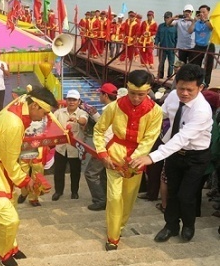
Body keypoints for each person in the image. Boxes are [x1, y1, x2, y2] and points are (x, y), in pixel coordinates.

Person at [0, 87, 58, 266]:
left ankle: (11, 246)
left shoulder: (19, 108)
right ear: (34, 107)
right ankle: (3, 252)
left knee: (10, 210)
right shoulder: (14, 123)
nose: (46, 117)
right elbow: (9, 161)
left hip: (0, 168)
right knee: (10, 218)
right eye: (45, 112)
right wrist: (27, 181)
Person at [130, 64, 212, 244]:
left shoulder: (202, 111)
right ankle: (171, 226)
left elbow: (182, 138)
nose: (184, 93)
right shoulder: (173, 96)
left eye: (190, 90)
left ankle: (189, 225)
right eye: (181, 88)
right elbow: (161, 114)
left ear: (200, 88)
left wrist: (152, 157)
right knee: (172, 191)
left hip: (195, 156)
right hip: (175, 154)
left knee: (186, 195)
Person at [93, 69, 163, 251]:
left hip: (136, 162)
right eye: (132, 93)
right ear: (127, 89)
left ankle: (119, 226)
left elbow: (150, 138)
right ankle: (113, 236)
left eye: (141, 94)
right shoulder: (114, 107)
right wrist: (103, 154)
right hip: (114, 158)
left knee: (128, 198)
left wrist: (134, 159)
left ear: (148, 92)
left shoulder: (156, 112)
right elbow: (99, 130)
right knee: (115, 197)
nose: (136, 98)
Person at [84, 83, 118, 211]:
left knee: (91, 173)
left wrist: (100, 149)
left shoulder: (109, 110)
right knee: (104, 173)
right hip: (113, 146)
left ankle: (100, 200)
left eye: (100, 94)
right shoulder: (117, 107)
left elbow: (106, 130)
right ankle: (107, 198)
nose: (99, 96)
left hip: (105, 146)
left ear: (105, 95)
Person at [52, 89, 89, 201]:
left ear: (79, 101)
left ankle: (74, 191)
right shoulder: (59, 112)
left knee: (75, 172)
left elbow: (83, 121)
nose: (71, 102)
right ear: (66, 100)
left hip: (75, 148)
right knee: (58, 171)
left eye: (74, 100)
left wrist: (76, 120)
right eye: (69, 99)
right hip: (61, 148)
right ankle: (58, 191)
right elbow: (52, 124)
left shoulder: (82, 113)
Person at [187, 4, 215, 87]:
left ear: (208, 12)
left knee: (208, 65)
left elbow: (211, 28)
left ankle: (206, 83)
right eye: (200, 12)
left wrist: (205, 20)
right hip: (198, 45)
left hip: (209, 45)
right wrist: (194, 21)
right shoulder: (197, 22)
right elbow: (190, 31)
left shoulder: (211, 21)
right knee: (196, 64)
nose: (202, 14)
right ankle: (197, 81)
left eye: (204, 12)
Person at [155, 11, 178, 80]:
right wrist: (156, 43)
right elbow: (157, 36)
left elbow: (177, 38)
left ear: (171, 18)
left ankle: (169, 76)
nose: (166, 19)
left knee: (171, 63)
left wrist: (176, 47)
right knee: (161, 62)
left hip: (171, 48)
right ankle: (160, 75)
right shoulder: (161, 26)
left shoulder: (175, 27)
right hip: (162, 47)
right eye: (165, 17)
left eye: (167, 17)